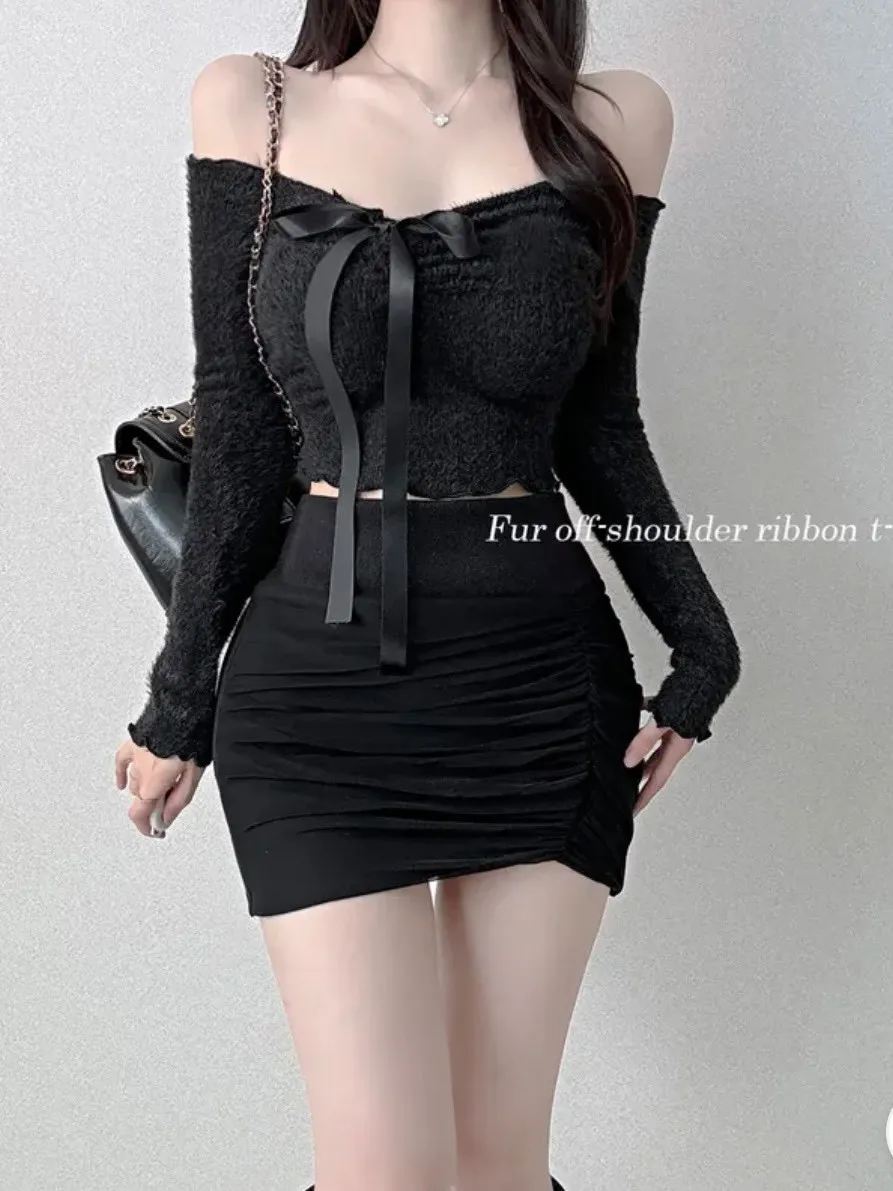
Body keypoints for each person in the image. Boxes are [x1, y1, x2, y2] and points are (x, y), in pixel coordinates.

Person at [114, 3, 741, 1189]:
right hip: (313, 700)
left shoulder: (616, 120)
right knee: (383, 1173)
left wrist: (703, 648)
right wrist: (179, 698)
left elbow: (601, 425)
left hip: (539, 688)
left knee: (496, 1167)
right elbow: (240, 426)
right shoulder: (250, 102)